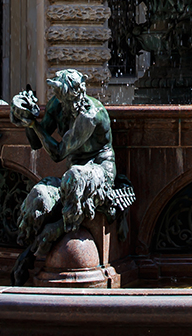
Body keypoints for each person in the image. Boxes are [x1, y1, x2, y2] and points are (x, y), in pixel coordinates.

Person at [9, 68, 128, 285]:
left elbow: (57, 153)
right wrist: (27, 117)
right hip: (73, 176)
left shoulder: (90, 115)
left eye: (63, 94)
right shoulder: (58, 104)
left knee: (74, 176)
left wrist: (35, 125)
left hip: (99, 170)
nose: (62, 100)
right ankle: (30, 247)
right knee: (40, 195)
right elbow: (37, 142)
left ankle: (59, 229)